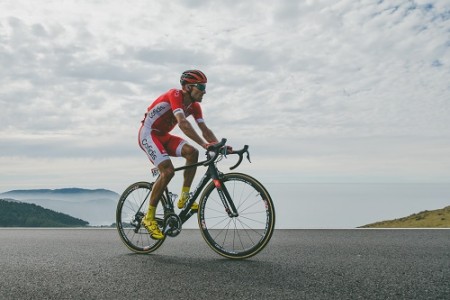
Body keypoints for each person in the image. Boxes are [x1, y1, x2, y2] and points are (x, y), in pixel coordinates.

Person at [138, 70, 219, 239]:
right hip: (149, 134)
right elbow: (183, 123)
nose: (205, 91)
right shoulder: (174, 94)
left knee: (192, 152)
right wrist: (205, 145)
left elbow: (204, 130)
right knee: (168, 171)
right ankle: (148, 217)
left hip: (163, 136)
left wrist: (220, 146)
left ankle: (184, 198)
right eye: (201, 86)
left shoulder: (195, 106)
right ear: (188, 87)